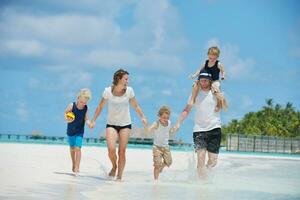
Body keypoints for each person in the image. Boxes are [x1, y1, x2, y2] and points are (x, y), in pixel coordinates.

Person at [90, 69, 147, 181]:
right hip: (111, 124)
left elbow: (135, 106)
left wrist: (143, 117)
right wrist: (93, 120)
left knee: (122, 151)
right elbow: (100, 106)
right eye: (126, 79)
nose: (128, 81)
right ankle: (114, 166)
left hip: (125, 125)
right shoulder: (107, 91)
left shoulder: (129, 91)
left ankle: (119, 176)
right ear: (119, 79)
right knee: (111, 150)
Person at [171, 70, 223, 180]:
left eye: (206, 81)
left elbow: (223, 105)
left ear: (210, 81)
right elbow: (187, 109)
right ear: (198, 81)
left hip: (215, 129)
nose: (203, 83)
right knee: (200, 157)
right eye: (201, 80)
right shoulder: (195, 94)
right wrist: (178, 123)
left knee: (213, 161)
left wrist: (220, 99)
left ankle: (205, 175)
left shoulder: (215, 92)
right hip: (199, 130)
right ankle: (201, 185)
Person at [143, 106, 177, 180]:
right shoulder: (156, 123)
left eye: (167, 117)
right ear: (159, 116)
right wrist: (145, 124)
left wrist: (174, 129)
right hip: (157, 147)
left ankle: (161, 167)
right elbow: (147, 131)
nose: (166, 119)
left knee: (169, 162)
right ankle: (156, 180)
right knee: (157, 165)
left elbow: (169, 131)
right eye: (164, 117)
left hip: (166, 147)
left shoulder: (169, 123)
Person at [189, 46, 227, 111]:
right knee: (195, 84)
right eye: (210, 58)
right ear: (208, 56)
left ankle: (219, 104)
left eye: (214, 58)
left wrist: (223, 76)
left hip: (214, 80)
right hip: (206, 79)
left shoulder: (218, 64)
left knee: (216, 88)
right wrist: (194, 75)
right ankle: (193, 99)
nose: (212, 60)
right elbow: (199, 70)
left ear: (217, 57)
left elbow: (223, 71)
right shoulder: (205, 62)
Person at [64, 88, 92, 175]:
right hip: (70, 130)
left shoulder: (86, 108)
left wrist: (89, 124)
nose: (83, 104)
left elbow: (87, 119)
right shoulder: (71, 105)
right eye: (82, 102)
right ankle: (73, 163)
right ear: (78, 97)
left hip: (80, 131)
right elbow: (65, 114)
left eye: (85, 102)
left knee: (78, 148)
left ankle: (77, 167)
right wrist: (67, 119)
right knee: (72, 149)